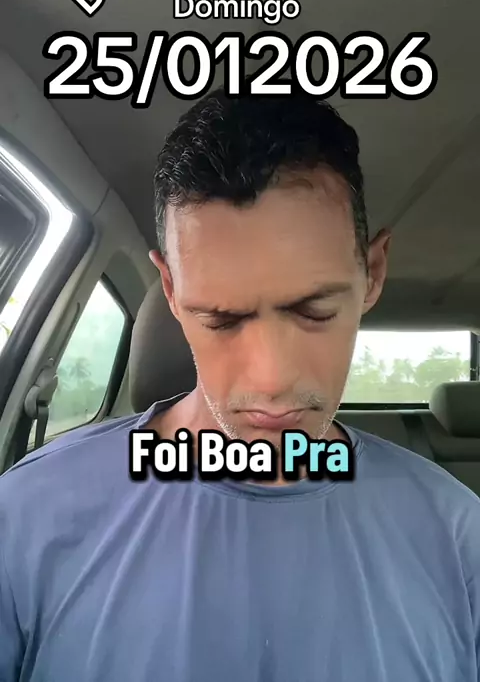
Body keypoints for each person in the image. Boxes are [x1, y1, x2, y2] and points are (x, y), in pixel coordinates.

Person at [0, 89, 479, 682]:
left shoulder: (460, 537)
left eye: (314, 312)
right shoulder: (27, 518)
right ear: (171, 292)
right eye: (222, 320)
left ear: (373, 273)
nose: (271, 380)